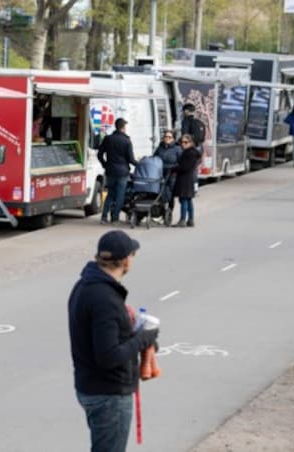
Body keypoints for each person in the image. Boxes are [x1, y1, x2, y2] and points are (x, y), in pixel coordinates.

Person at [68, 230, 159, 452]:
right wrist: (144, 337)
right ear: (126, 260)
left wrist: (132, 331)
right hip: (108, 394)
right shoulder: (105, 298)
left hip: (89, 385)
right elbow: (108, 356)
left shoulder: (84, 286)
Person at [98, 118, 137, 224]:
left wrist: (105, 165)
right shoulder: (126, 141)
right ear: (123, 128)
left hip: (110, 171)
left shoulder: (108, 139)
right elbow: (131, 159)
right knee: (120, 195)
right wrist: (140, 164)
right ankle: (115, 218)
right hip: (122, 172)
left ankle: (104, 217)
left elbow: (100, 154)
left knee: (110, 194)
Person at [173, 134, 202, 227]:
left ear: (191, 143)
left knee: (184, 199)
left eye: (185, 142)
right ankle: (190, 220)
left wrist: (174, 169)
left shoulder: (190, 153)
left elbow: (185, 167)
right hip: (189, 178)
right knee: (188, 199)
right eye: (182, 142)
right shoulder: (191, 152)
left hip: (185, 179)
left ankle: (182, 220)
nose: (183, 144)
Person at [153, 130, 181, 210]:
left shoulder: (177, 148)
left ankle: (170, 208)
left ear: (173, 139)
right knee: (160, 190)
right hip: (160, 172)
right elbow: (154, 158)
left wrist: (175, 168)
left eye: (170, 137)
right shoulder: (160, 148)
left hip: (172, 173)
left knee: (170, 191)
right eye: (166, 136)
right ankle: (161, 208)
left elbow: (181, 161)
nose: (167, 138)